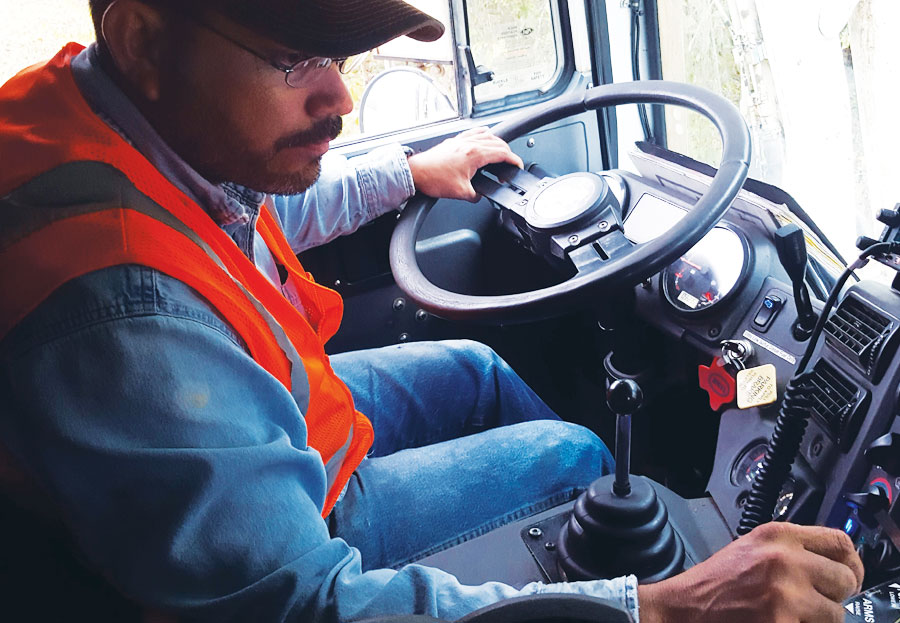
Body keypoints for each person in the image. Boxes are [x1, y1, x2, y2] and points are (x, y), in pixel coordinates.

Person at [0, 0, 864, 622]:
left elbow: (245, 204)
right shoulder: (120, 321)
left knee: (479, 368)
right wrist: (667, 607)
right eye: (293, 59)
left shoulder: (108, 122)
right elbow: (295, 604)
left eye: (338, 58)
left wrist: (409, 172)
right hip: (298, 507)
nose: (338, 99)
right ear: (144, 37)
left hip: (276, 404)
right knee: (573, 451)